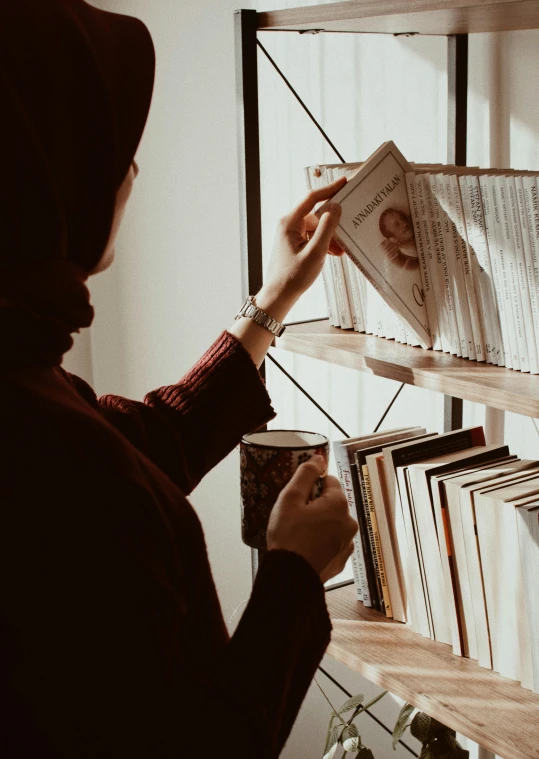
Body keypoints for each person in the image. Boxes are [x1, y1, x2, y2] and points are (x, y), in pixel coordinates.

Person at [0, 1, 357, 757]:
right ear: (47, 172)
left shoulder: (24, 369)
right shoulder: (53, 450)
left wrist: (272, 301)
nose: (131, 171)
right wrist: (293, 572)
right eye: (111, 146)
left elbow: (138, 442)